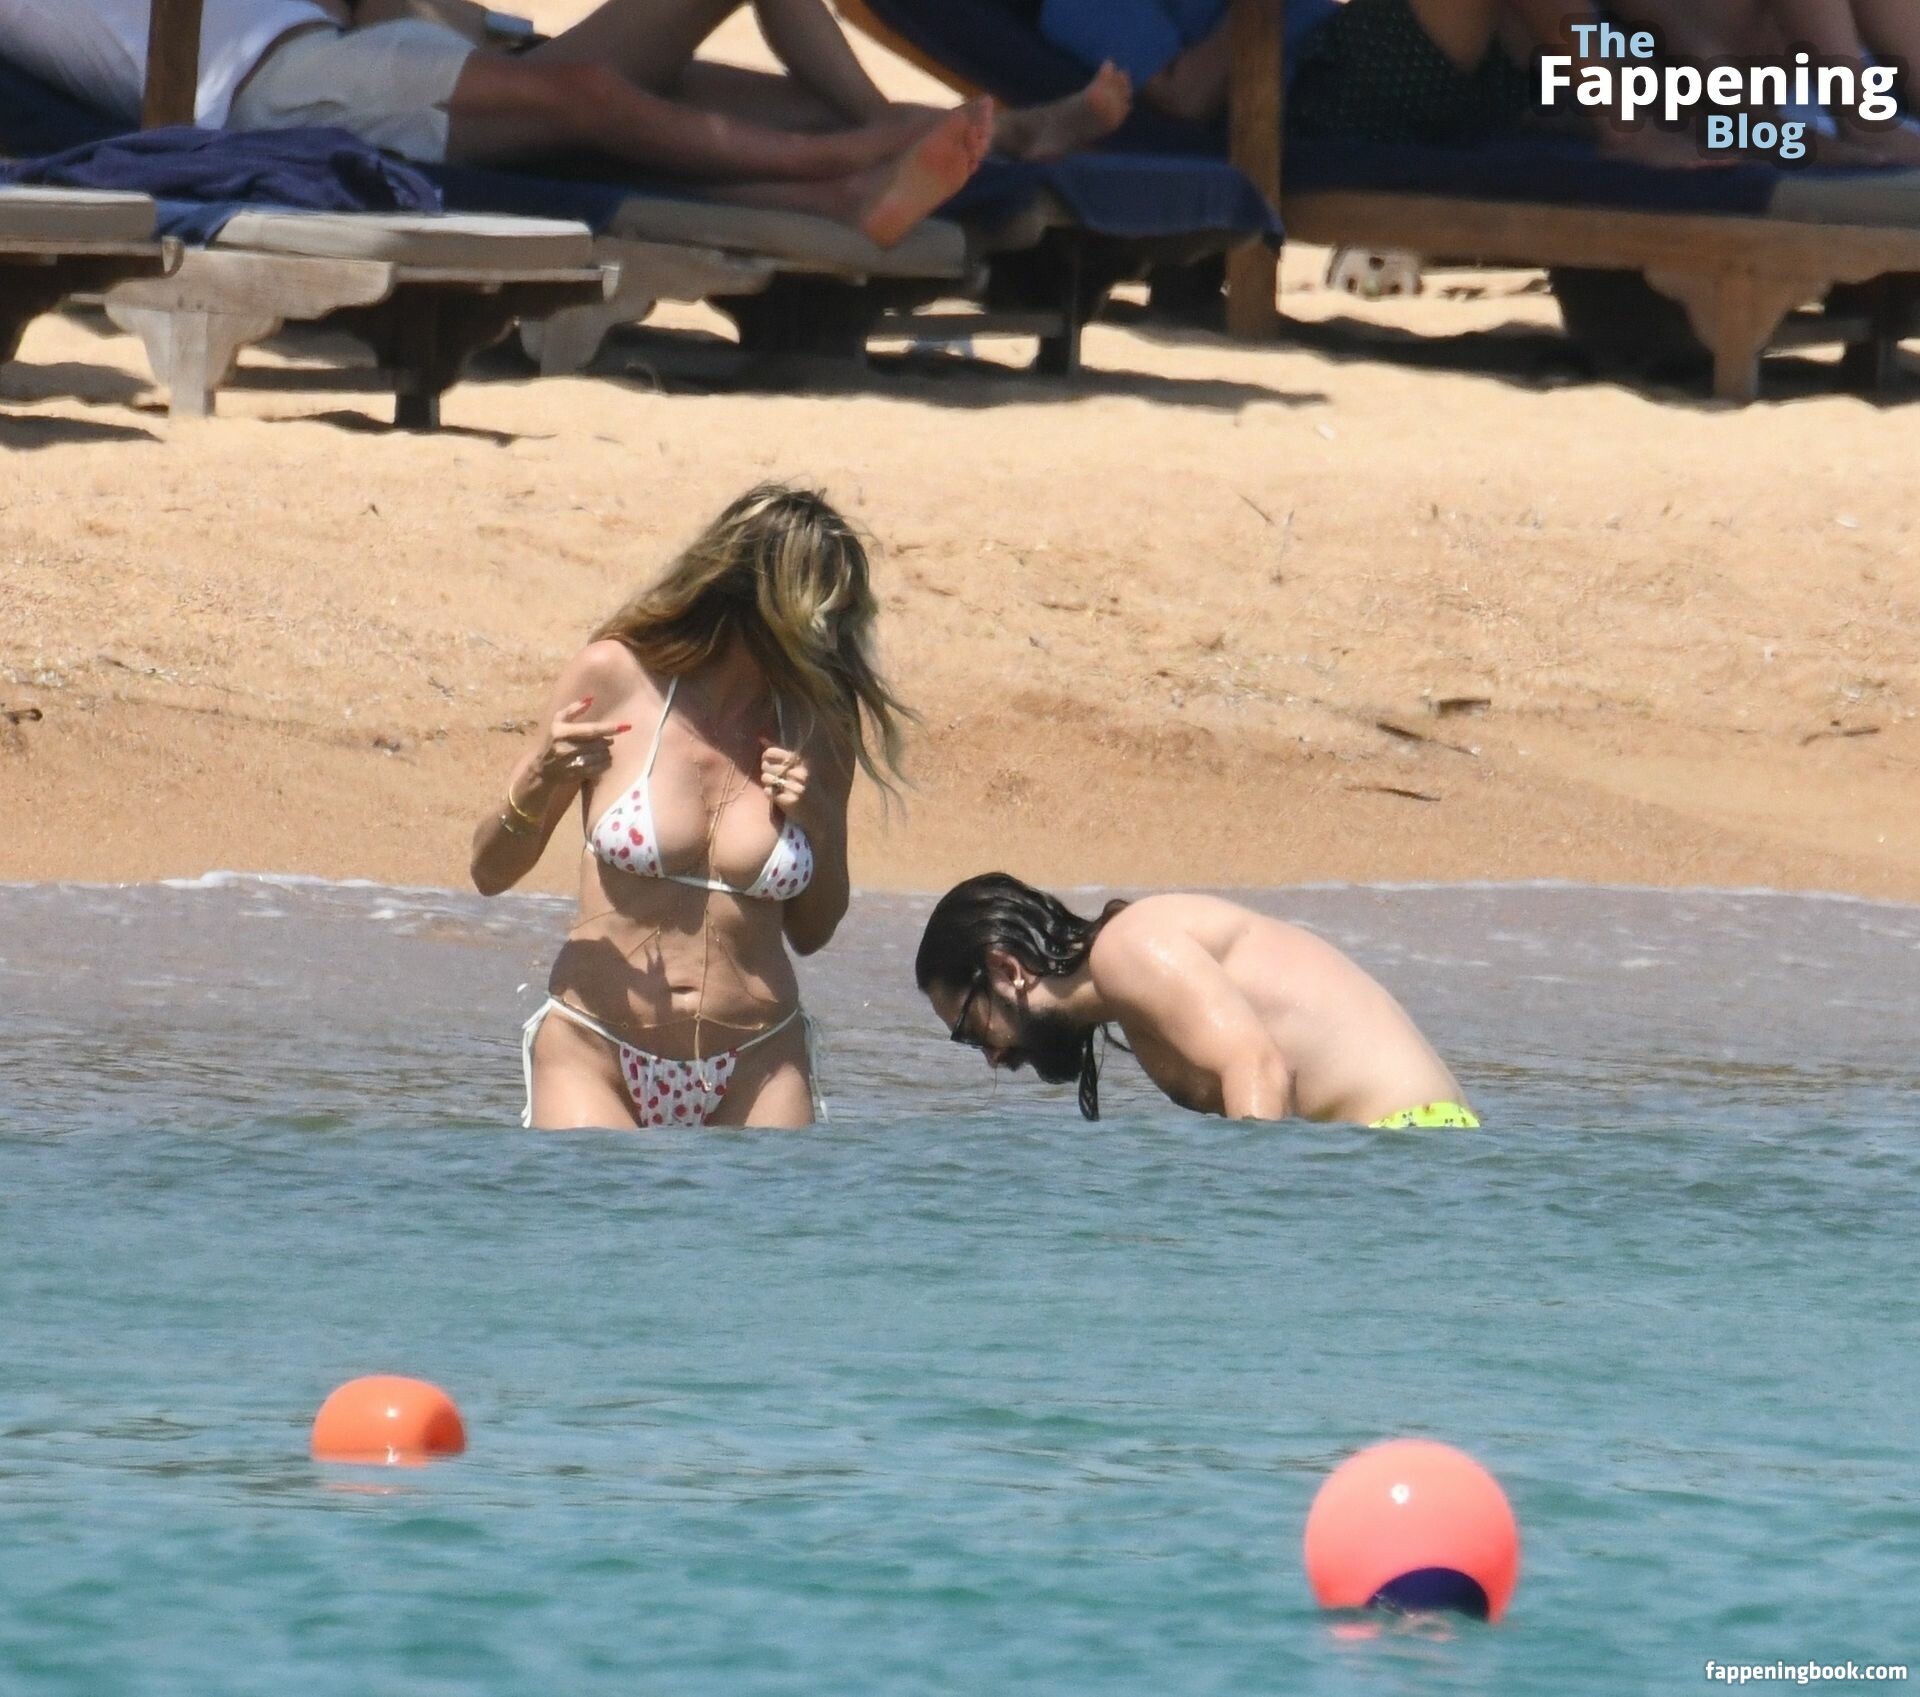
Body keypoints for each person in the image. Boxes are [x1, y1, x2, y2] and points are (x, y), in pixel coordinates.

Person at [472, 485, 909, 1129]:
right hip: (595, 1051)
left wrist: (817, 820)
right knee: (597, 1200)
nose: (835, 637)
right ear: (758, 596)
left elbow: (812, 932)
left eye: (845, 615)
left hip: (760, 1062)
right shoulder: (615, 677)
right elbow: (489, 872)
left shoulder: (818, 722)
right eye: (823, 614)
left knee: (779, 1204)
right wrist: (540, 777)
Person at [0, 0, 1130, 248]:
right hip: (276, 87)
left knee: (679, 103)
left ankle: (872, 167)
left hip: (402, 53)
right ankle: (854, 154)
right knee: (595, 104)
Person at [916, 874, 1477, 1129]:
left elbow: (1257, 1067)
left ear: (1006, 970)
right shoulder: (1131, 991)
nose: (990, 1056)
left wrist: (1246, 1231)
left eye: (970, 1029)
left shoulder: (1129, 948)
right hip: (1416, 1145)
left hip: (1410, 1137)